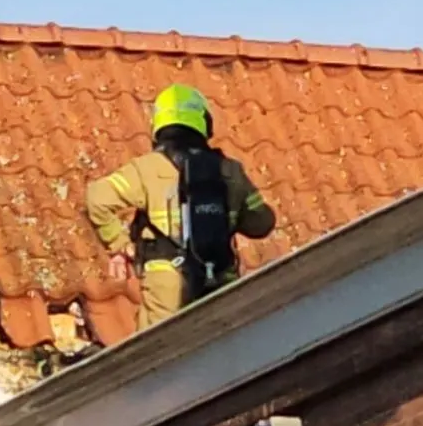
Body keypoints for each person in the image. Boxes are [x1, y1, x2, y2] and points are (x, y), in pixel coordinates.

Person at [85, 84, 279, 318]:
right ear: (203, 121)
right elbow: (262, 224)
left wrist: (119, 244)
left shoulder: (148, 168)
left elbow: (97, 197)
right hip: (219, 280)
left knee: (159, 350)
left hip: (166, 284)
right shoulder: (230, 170)